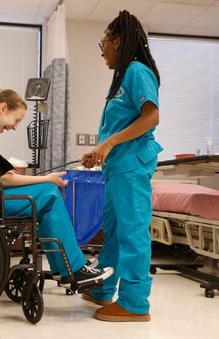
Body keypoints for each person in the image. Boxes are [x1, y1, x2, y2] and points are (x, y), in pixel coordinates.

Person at [0, 87, 113, 286]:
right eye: (17, 120)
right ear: (3, 108)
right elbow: (5, 178)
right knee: (49, 193)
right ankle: (71, 268)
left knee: (47, 196)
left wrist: (23, 176)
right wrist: (47, 178)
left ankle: (68, 268)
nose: (15, 127)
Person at [80, 10, 163, 322]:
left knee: (132, 231)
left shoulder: (138, 71)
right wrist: (100, 149)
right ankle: (104, 288)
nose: (103, 53)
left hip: (131, 165)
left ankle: (135, 302)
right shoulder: (122, 78)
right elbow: (118, 126)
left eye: (104, 45)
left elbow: (151, 116)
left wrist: (109, 144)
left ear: (118, 41)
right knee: (113, 231)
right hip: (116, 166)